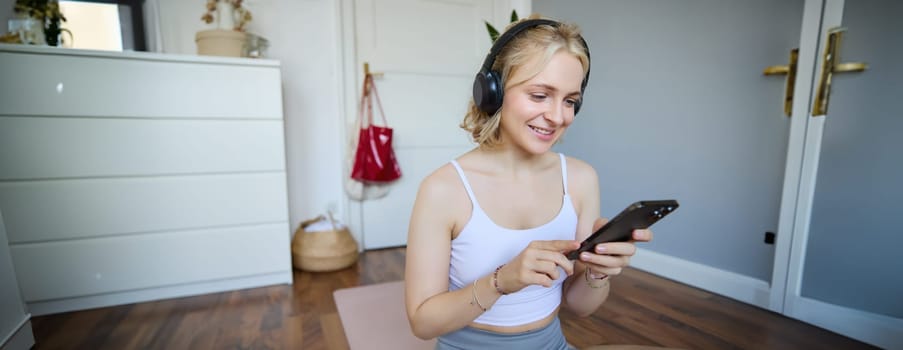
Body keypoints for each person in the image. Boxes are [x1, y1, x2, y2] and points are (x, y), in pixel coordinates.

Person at [404, 15, 653, 350]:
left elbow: (580, 307)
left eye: (570, 101)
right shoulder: (443, 189)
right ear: (493, 91)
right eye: (539, 95)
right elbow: (422, 323)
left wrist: (597, 273)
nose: (558, 116)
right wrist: (502, 280)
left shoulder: (580, 180)